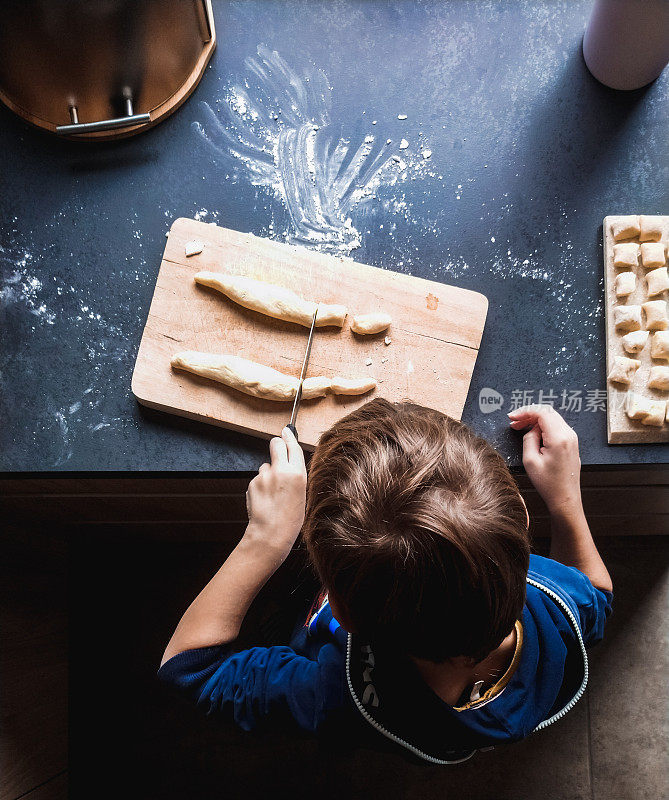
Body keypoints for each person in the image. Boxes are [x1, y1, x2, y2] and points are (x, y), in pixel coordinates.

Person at [158, 399, 612, 763]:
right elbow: (598, 597)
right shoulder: (557, 599)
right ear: (520, 509)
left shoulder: (339, 696)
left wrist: (264, 539)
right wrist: (567, 500)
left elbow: (190, 671)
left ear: (339, 612)